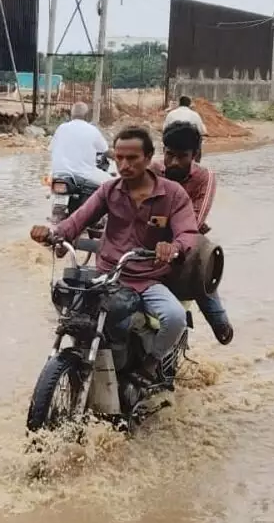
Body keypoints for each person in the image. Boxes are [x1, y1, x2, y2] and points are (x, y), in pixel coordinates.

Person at [30, 126, 200, 381]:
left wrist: (173, 247)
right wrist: (54, 233)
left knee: (175, 317)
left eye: (132, 158)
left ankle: (150, 363)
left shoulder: (173, 194)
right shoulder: (109, 190)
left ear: (149, 157)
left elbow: (188, 234)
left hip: (148, 278)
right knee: (76, 308)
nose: (124, 165)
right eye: (119, 158)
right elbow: (77, 220)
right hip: (110, 275)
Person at [153, 122, 233, 345]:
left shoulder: (204, 178)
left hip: (185, 241)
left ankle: (219, 321)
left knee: (198, 266)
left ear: (195, 155)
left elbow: (194, 222)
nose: (174, 162)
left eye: (182, 156)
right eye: (169, 155)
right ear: (163, 151)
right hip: (150, 239)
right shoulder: (152, 171)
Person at [50, 102, 112, 188]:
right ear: (86, 116)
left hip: (57, 175)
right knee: (112, 184)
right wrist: (120, 157)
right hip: (84, 175)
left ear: (71, 115)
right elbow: (106, 151)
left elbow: (52, 148)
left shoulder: (61, 128)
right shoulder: (92, 130)